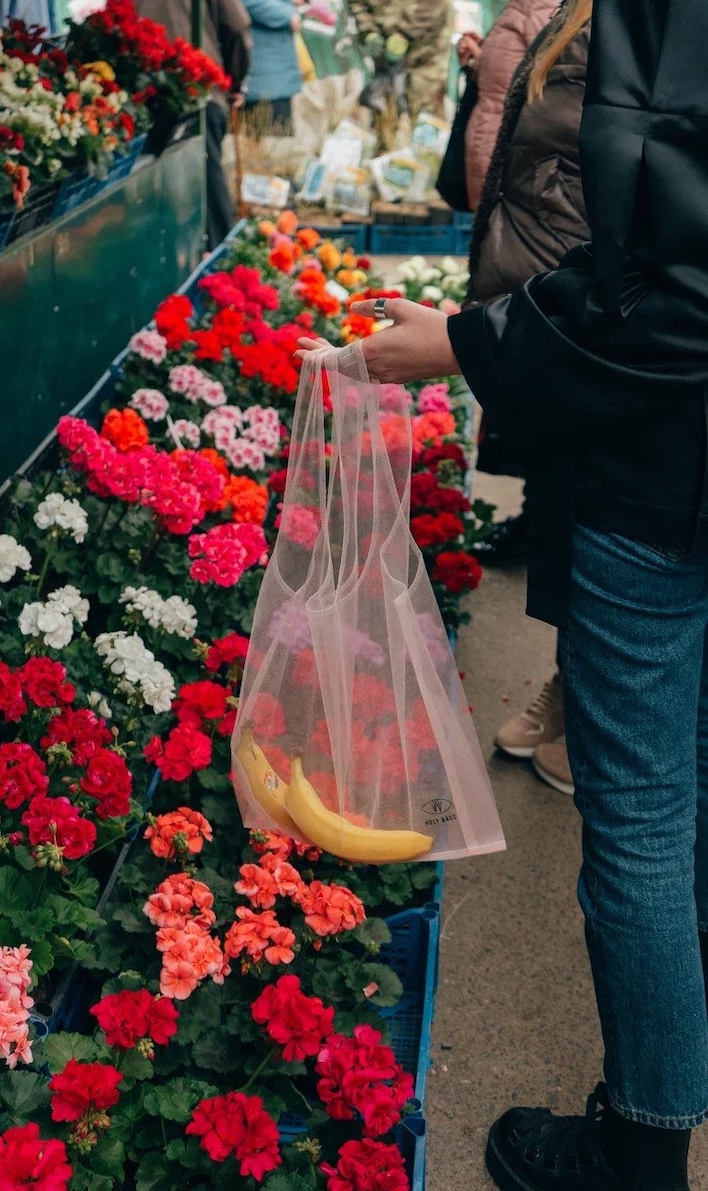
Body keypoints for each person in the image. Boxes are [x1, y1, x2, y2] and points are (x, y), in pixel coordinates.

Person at [299, 0, 708, 1186]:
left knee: (638, 812)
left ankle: (639, 1142)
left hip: (659, 467)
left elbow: (672, 290)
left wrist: (470, 346)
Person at [466, 1, 591, 796]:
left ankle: (587, 712)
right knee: (562, 511)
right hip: (548, 304)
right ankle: (572, 691)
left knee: (588, 531)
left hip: (571, 312)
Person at [134, 0, 251, 248]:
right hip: (198, 89)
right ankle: (222, 262)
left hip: (142, 94)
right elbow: (238, 25)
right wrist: (235, 79)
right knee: (209, 190)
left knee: (154, 196)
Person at [458, 0, 558, 213]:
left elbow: (546, 80)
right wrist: (480, 59)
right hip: (497, 141)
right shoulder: (526, 9)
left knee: (497, 232)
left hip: (503, 144)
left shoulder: (535, 10)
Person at [240, 0, 301, 135]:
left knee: (279, 147)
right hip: (264, 82)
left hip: (277, 77)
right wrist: (287, 15)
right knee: (267, 148)